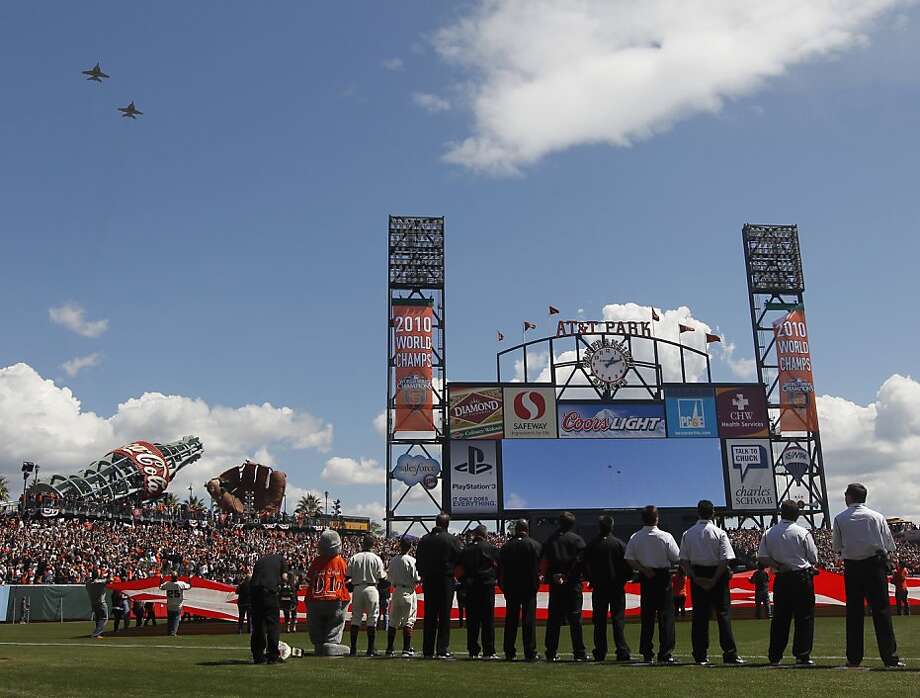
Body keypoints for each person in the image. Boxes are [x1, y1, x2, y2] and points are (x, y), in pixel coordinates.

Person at [832, 483, 903, 668]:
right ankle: (890, 657)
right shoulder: (877, 517)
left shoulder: (840, 518)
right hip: (874, 566)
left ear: (849, 497)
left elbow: (837, 547)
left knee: (854, 613)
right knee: (882, 611)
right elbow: (889, 545)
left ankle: (854, 658)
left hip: (853, 568)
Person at [679, 500, 744, 665]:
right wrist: (715, 578)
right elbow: (725, 559)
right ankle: (730, 653)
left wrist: (694, 577)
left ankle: (700, 654)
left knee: (700, 616)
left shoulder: (688, 534)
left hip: (698, 574)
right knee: (723, 614)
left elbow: (684, 561)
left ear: (698, 512)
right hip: (718, 574)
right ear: (713, 512)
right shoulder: (719, 533)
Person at [757, 500, 819, 666]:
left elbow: (762, 557)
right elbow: (813, 558)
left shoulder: (769, 533)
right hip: (801, 577)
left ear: (780, 513)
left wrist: (777, 565)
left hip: (782, 577)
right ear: (797, 515)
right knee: (804, 617)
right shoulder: (802, 532)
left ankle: (775, 655)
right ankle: (802, 655)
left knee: (780, 618)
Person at [625, 505, 680, 664]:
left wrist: (643, 569)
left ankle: (647, 652)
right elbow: (676, 557)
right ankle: (666, 653)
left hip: (646, 576)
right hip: (662, 577)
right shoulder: (665, 536)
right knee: (666, 616)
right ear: (657, 518)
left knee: (647, 616)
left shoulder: (635, 537)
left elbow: (629, 558)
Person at [542, 511, 587, 662]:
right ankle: (579, 653)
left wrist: (552, 576)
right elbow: (582, 563)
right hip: (573, 584)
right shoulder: (577, 540)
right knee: (575, 620)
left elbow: (544, 563)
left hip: (556, 585)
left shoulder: (550, 541)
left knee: (554, 620)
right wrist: (569, 575)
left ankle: (551, 652)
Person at [585, 514, 631, 662]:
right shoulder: (619, 544)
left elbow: (584, 565)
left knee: (599, 621)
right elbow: (628, 566)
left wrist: (591, 579)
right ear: (612, 526)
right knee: (618, 619)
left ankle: (600, 651)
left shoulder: (592, 545)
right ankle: (622, 650)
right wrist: (624, 579)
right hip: (616, 587)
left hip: (599, 587)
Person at [415, 512, 461, 659]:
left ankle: (427, 649)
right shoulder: (451, 540)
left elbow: (418, 561)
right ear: (446, 524)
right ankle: (442, 648)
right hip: (445, 581)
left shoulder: (424, 540)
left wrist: (424, 574)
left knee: (429, 615)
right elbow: (459, 560)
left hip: (429, 581)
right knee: (444, 615)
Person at [499, 519, 542, 662]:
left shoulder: (506, 547)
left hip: (511, 588)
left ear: (515, 529)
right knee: (528, 620)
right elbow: (541, 568)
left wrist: (503, 587)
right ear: (527, 529)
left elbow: (500, 570)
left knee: (511, 619)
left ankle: (509, 651)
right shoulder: (535, 545)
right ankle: (530, 651)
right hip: (529, 587)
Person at [304, 529, 351, 656]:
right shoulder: (340, 561)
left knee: (316, 625)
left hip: (314, 599)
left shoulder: (316, 561)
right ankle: (332, 643)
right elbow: (348, 581)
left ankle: (319, 644)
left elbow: (308, 580)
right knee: (335, 624)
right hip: (336, 599)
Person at [458, 524, 500, 660]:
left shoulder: (466, 550)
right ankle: (489, 650)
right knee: (488, 620)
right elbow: (499, 568)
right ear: (485, 535)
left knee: (472, 621)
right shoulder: (491, 549)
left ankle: (473, 650)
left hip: (470, 588)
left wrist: (465, 581)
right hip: (487, 587)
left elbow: (459, 571)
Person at [346, 533, 387, 656]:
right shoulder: (376, 558)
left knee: (356, 618)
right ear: (373, 544)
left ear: (362, 543)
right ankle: (370, 649)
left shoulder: (355, 557)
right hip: (371, 588)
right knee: (372, 618)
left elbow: (348, 576)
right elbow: (382, 577)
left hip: (357, 588)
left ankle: (353, 649)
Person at [250, 550, 287, 664]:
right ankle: (272, 656)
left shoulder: (260, 561)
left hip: (255, 592)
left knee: (258, 626)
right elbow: (285, 577)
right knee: (273, 625)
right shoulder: (281, 560)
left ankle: (258, 656)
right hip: (269, 593)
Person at [385, 537, 421, 657]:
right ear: (410, 546)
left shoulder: (393, 560)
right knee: (409, 620)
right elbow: (417, 578)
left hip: (396, 591)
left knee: (393, 620)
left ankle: (390, 648)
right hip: (408, 591)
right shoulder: (412, 560)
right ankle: (406, 648)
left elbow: (389, 577)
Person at [159, 573, 192, 637]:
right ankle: (173, 632)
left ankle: (169, 632)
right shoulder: (181, 583)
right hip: (178, 605)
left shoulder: (167, 583)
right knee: (176, 620)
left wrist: (161, 579)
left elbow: (161, 587)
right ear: (177, 577)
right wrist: (190, 579)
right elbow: (189, 586)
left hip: (170, 604)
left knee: (170, 620)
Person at [85, 568, 109, 639]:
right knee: (104, 618)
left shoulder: (88, 583)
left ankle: (98, 634)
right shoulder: (100, 582)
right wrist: (105, 575)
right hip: (101, 602)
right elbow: (109, 580)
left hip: (93, 603)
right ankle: (96, 633)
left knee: (98, 619)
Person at [236, 570, 252, 634]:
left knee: (241, 617)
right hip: (249, 603)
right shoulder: (252, 585)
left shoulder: (241, 584)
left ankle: (240, 629)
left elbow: (237, 591)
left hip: (241, 603)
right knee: (249, 618)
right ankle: (249, 630)